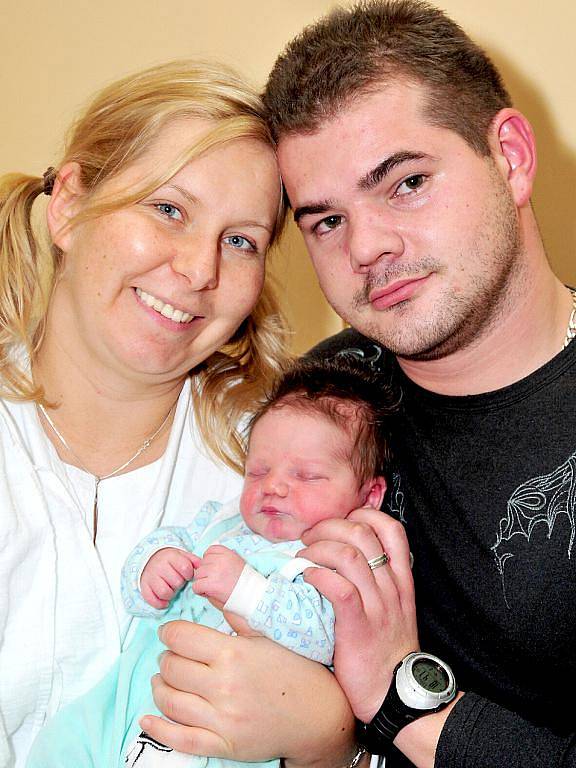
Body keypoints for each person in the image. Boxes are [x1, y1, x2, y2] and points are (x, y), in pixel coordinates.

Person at [0, 60, 354, 768]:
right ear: (68, 205)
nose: (199, 270)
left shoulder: (286, 473)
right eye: (168, 209)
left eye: (241, 240)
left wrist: (328, 738)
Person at [259, 1, 576, 766]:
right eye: (326, 221)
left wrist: (406, 701)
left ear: (511, 156)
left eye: (404, 183)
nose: (367, 246)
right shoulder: (320, 401)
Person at [25, 356, 393, 768]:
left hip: (241, 732)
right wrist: (156, 565)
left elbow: (326, 636)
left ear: (369, 496)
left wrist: (246, 590)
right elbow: (161, 560)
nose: (273, 486)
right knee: (64, 739)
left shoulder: (341, 561)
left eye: (306, 476)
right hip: (134, 704)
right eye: (258, 471)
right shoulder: (221, 525)